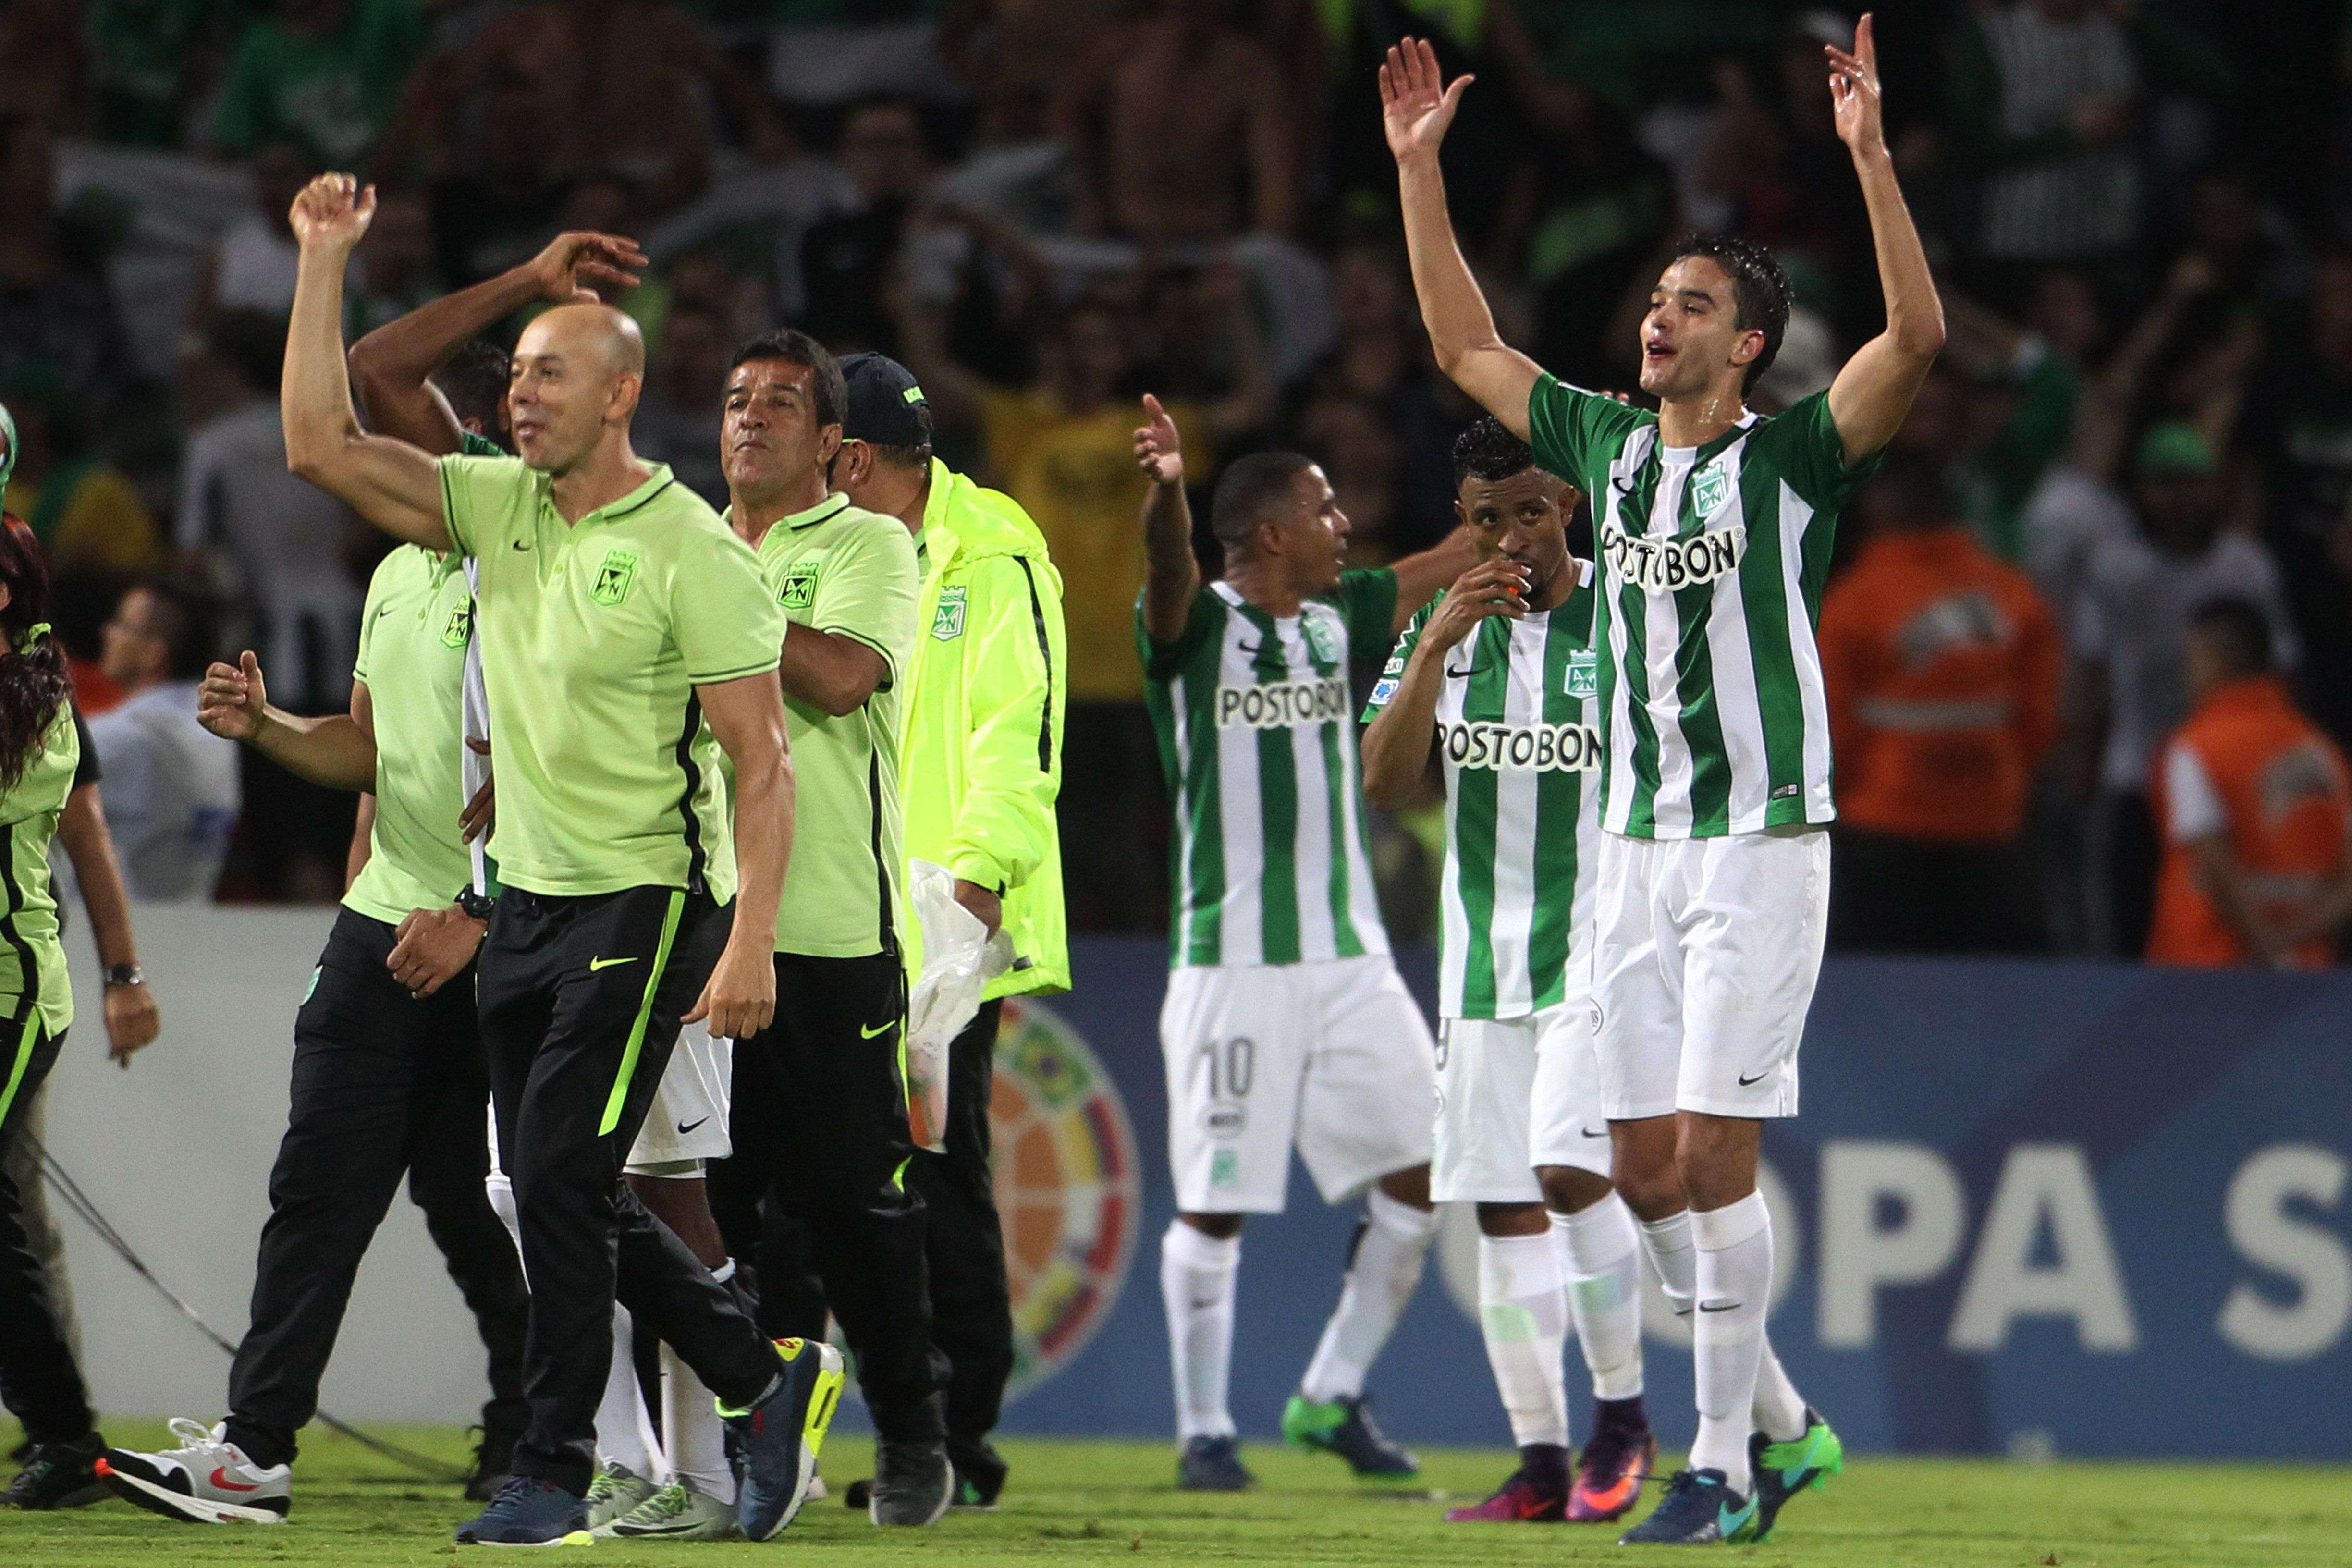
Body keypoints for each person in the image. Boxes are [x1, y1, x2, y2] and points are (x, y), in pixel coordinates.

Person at [1384, 19, 1942, 1542]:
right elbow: (1463, 345)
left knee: (1707, 1155)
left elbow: (1918, 344)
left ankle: (1718, 1465)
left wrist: (1872, 161)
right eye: (1655, 298)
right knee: (1631, 1170)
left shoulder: (1796, 464)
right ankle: (1791, 1425)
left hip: (1759, 841)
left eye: (1691, 304)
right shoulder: (1605, 449)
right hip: (1630, 851)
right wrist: (1421, 178)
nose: (1659, 316)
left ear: (1746, 344)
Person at [270, 172, 837, 1547]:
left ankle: (550, 1465)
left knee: (560, 1181)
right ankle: (761, 1380)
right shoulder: (496, 509)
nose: (519, 396)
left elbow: (763, 764)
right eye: (516, 374)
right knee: (541, 1184)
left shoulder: (692, 550)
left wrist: (751, 939)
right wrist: (323, 262)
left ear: (620, 396)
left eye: (549, 376)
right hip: (519, 901)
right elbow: (320, 446)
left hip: (644, 903)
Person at [101, 462, 535, 1522]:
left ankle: (537, 1431)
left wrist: (479, 921)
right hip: (382, 932)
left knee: (488, 1212)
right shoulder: (394, 576)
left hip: (512, 941)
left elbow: (585, 771)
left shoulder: (540, 578)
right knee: (317, 1191)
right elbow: (372, 751)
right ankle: (254, 1450)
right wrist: (270, 731)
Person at [1131, 397, 1470, 1491]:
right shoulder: (1184, 627)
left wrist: (1572, 463)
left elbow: (1451, 556)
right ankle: (1202, 1430)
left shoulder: (1336, 624)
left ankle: (1330, 1389)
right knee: (1216, 1201)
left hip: (1350, 959)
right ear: (1270, 531)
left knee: (1426, 1172)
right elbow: (1172, 581)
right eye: (1323, 506)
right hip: (1229, 962)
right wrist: (1168, 493)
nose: (1343, 522)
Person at [1359, 417, 1656, 1525]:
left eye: (1529, 512)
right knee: (1498, 1209)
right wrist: (1430, 649)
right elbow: (1385, 784)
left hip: (1596, 949)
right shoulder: (1450, 633)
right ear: (1463, 524)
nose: (1510, 536)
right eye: (1487, 518)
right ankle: (1539, 1460)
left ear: (1568, 509)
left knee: (1570, 1174)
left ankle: (1620, 1417)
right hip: (1480, 958)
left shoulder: (1620, 623)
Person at [707, 331, 943, 1528]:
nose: (751, 421)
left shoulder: (867, 542)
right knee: (719, 1208)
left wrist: (714, 595)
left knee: (856, 1209)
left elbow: (846, 677)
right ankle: (753, 1438)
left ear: (833, 444)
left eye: (782, 405)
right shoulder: (682, 542)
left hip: (831, 932)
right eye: (737, 401)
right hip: (698, 922)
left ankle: (910, 1436)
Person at [828, 351, 1066, 1510]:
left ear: (855, 455)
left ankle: (955, 1437)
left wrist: (977, 878)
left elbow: (1021, 723)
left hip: (943, 923)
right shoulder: (837, 552)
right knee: (831, 1179)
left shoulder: (992, 549)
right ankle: (833, 1420)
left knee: (935, 1175)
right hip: (840, 908)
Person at [1819, 453, 2061, 953]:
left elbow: (1829, 728)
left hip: (1884, 828)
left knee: (1884, 997)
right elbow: (2039, 715)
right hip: (1991, 823)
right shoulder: (2012, 593)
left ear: (1877, 505)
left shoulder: (1855, 601)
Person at [0, 519, 111, 1509]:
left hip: (13, 992)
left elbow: (82, 832)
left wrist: (125, 973)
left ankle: (67, 1437)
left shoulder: (30, 705)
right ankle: (63, 1435)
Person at [2146, 599, 2352, 969]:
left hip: (2207, 959)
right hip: (2306, 965)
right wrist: (2296, 940)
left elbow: (2212, 863)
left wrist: (2266, 945)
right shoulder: (2322, 751)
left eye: (2190, 660)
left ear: (2214, 660)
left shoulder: (2197, 746)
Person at [85, 579, 239, 900]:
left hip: (117, 930)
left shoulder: (124, 737)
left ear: (153, 653)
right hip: (192, 922)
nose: (108, 633)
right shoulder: (220, 735)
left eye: (122, 625)